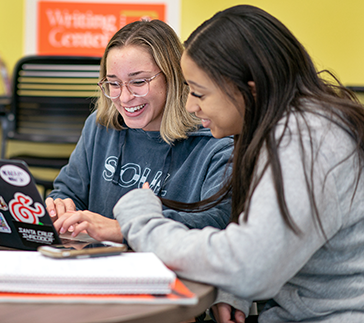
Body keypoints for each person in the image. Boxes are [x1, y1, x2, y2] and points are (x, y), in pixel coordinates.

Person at [114, 5, 364, 323]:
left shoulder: (307, 139)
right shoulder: (296, 124)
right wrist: (234, 287)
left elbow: (251, 267)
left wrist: (142, 223)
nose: (190, 106)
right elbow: (267, 246)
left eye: (199, 93)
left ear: (250, 91)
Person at [46, 19, 234, 243]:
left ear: (172, 78)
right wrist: (61, 206)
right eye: (114, 84)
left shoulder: (216, 139)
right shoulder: (99, 126)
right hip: (96, 263)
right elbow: (66, 192)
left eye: (138, 82)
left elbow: (217, 222)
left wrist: (124, 229)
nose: (124, 98)